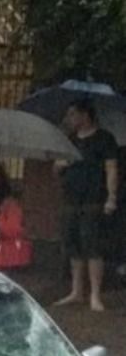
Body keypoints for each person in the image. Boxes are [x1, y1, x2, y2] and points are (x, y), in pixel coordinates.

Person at [54, 97, 119, 311]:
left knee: (92, 245)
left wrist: (111, 197)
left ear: (85, 115)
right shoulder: (69, 139)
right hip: (70, 198)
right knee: (73, 245)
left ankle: (95, 294)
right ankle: (76, 291)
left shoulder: (104, 138)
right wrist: (61, 164)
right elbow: (56, 169)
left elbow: (111, 169)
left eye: (73, 114)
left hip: (94, 198)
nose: (70, 119)